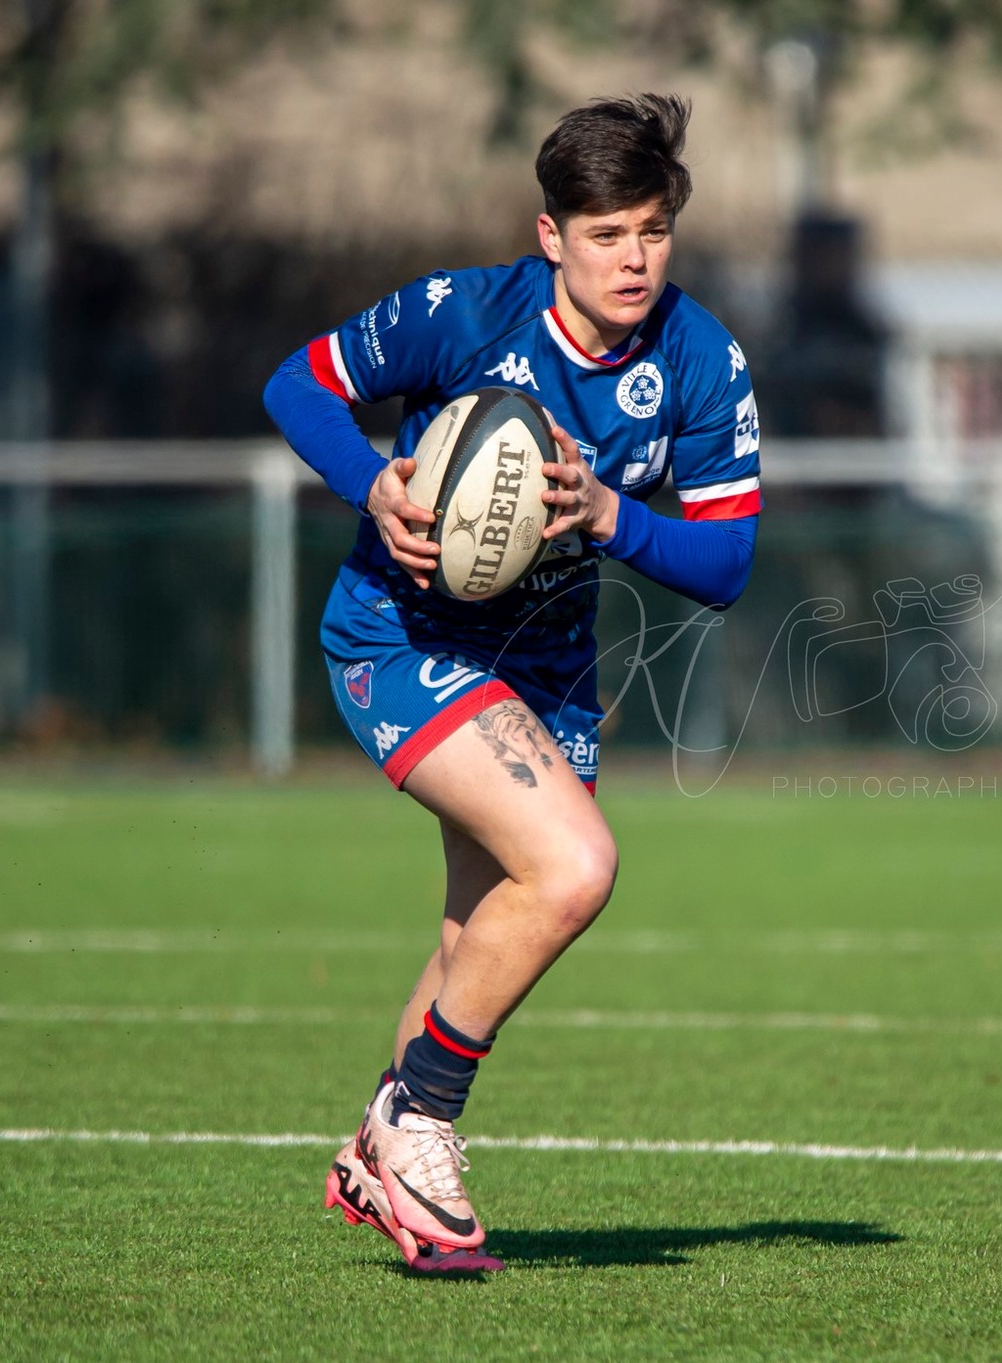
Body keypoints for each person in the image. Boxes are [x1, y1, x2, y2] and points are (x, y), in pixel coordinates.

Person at [262, 94, 762, 1273]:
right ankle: (414, 1119)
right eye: (604, 234)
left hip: (547, 663)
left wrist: (608, 513)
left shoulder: (701, 358)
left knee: (473, 938)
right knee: (577, 865)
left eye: (651, 229)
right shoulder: (462, 310)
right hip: (399, 634)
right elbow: (298, 383)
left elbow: (727, 561)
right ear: (551, 236)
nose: (633, 258)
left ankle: (383, 1167)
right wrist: (375, 481)